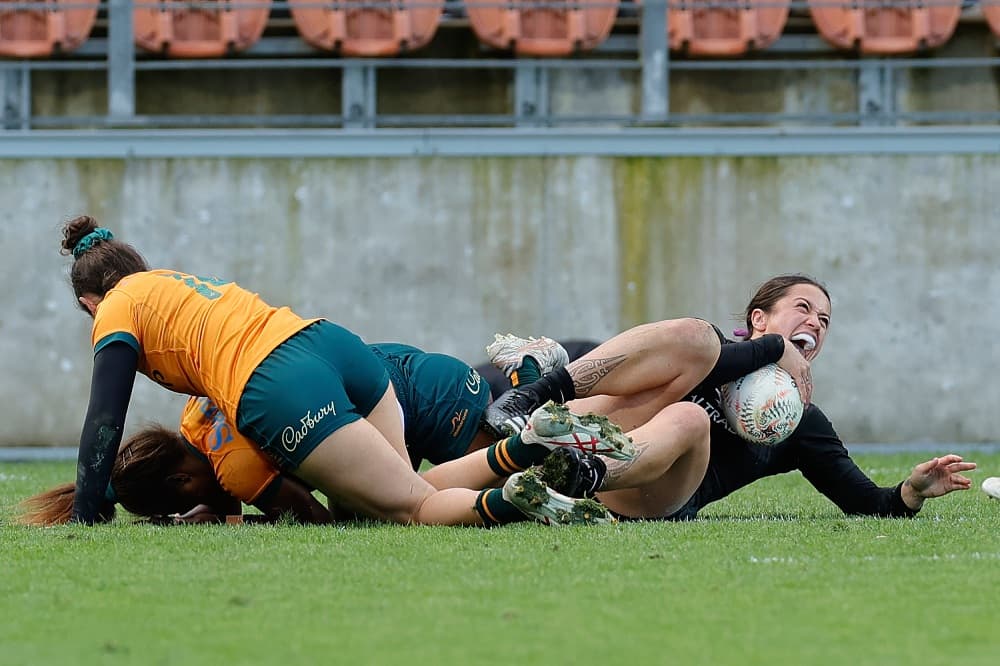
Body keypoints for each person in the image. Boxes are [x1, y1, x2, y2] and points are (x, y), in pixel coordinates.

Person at [56, 215, 632, 528]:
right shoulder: (169, 283)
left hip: (275, 382)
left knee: (414, 510)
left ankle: (516, 495)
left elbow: (105, 413)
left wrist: (87, 510)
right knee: (397, 499)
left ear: (89, 302)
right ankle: (529, 441)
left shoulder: (114, 309)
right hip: (327, 342)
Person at [486, 274, 977, 519]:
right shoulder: (712, 354)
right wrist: (774, 349)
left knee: (687, 421)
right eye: (803, 309)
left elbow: (864, 501)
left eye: (824, 322)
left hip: (648, 496)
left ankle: (573, 472)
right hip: (574, 436)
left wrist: (910, 493)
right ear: (759, 319)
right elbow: (715, 356)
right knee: (429, 497)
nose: (815, 323)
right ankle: (532, 394)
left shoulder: (802, 420)